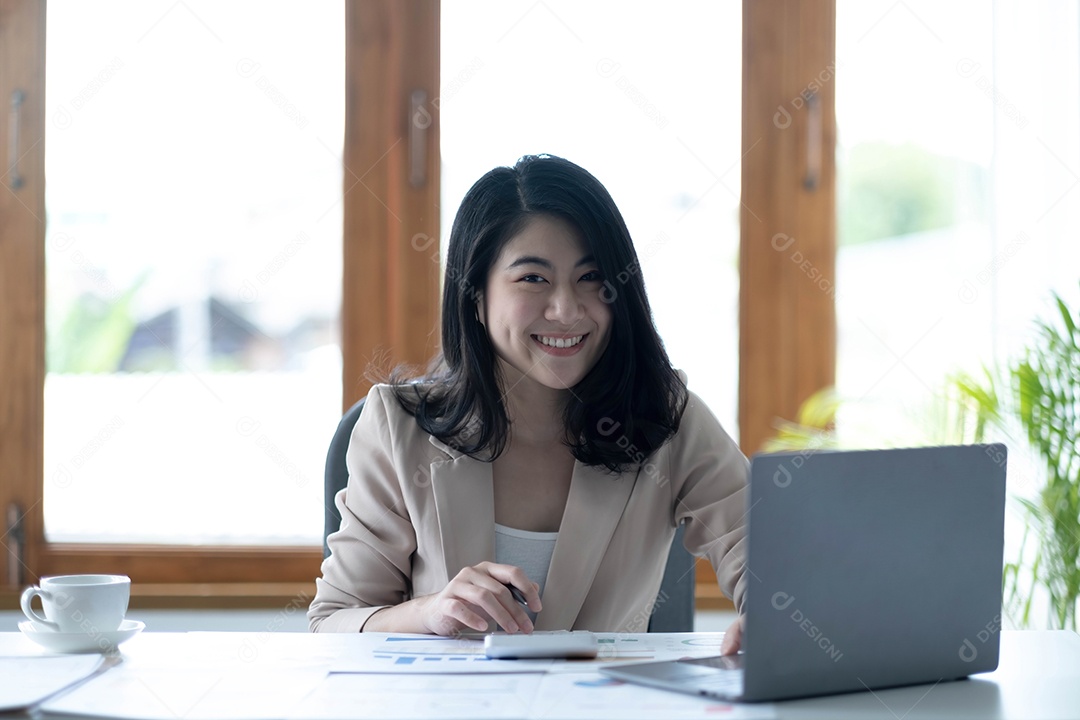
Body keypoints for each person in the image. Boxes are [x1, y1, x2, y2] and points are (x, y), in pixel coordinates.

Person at [308, 154, 747, 653]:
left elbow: (765, 556)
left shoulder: (667, 418)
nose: (566, 310)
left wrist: (773, 623)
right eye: (533, 279)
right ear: (475, 296)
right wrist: (430, 612)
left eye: (591, 278)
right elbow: (333, 622)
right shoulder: (398, 427)